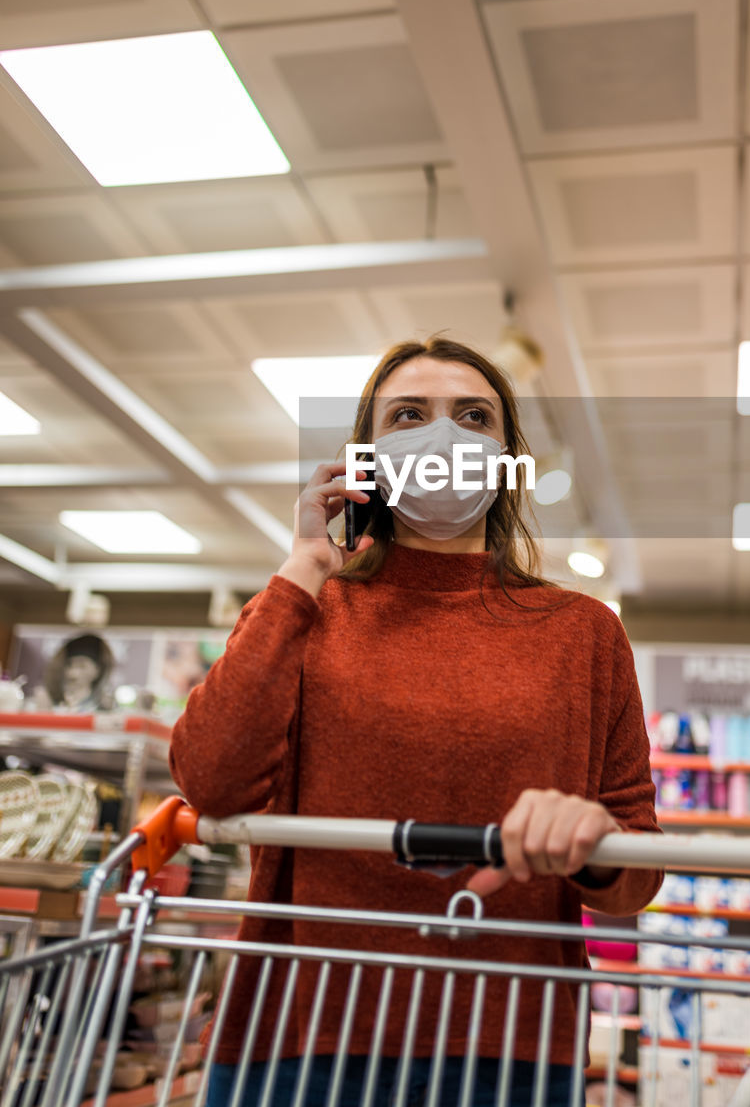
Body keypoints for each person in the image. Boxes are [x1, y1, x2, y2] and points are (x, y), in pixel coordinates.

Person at [169, 336, 663, 1107]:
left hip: (507, 1042)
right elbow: (211, 778)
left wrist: (589, 839)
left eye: (473, 416)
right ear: (363, 461)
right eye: (409, 415)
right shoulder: (306, 610)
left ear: (506, 460)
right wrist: (303, 565)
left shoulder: (584, 632)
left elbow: (636, 877)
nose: (444, 437)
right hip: (302, 1032)